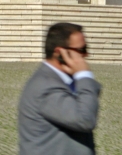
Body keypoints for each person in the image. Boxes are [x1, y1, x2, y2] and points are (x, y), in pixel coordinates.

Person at [18, 22, 102, 155]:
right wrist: (84, 75)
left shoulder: (62, 80)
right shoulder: (46, 86)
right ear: (60, 53)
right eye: (82, 50)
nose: (86, 55)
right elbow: (85, 119)